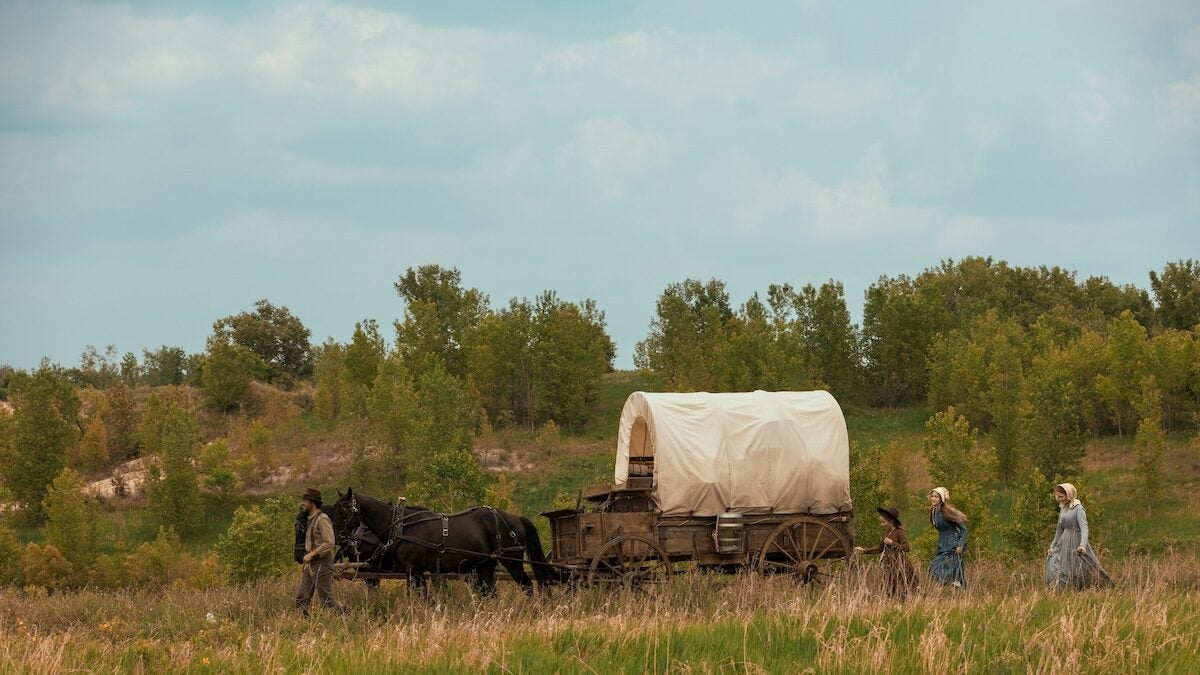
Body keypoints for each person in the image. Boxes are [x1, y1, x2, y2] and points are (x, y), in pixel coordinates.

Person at [1046, 483, 1113, 590]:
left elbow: (1084, 528)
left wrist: (1082, 545)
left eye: (1061, 497)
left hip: (1075, 541)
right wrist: (1052, 546)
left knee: (1082, 567)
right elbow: (1059, 530)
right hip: (1064, 542)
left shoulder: (1078, 508)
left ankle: (1098, 586)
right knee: (1058, 564)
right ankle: (1062, 590)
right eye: (1058, 496)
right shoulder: (1063, 508)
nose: (1059, 499)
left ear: (1069, 495)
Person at [295, 487, 345, 615]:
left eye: (305, 501)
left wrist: (312, 554)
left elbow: (330, 542)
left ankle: (348, 617)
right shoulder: (308, 519)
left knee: (327, 601)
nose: (302, 504)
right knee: (302, 598)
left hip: (322, 563)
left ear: (312, 502)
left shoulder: (322, 519)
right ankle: (304, 625)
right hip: (310, 565)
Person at [853, 506, 918, 598]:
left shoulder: (899, 532)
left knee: (907, 588)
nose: (882, 524)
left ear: (891, 520)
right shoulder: (886, 533)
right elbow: (880, 549)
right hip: (889, 566)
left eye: (884, 522)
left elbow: (906, 547)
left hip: (900, 565)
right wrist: (864, 551)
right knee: (889, 590)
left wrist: (892, 543)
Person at [927, 487, 968, 588]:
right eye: (932, 496)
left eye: (936, 497)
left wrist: (960, 545)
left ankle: (957, 590)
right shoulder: (933, 512)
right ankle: (950, 589)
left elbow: (963, 529)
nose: (933, 498)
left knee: (953, 569)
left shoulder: (948, 511)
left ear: (941, 499)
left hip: (953, 544)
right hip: (942, 543)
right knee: (934, 568)